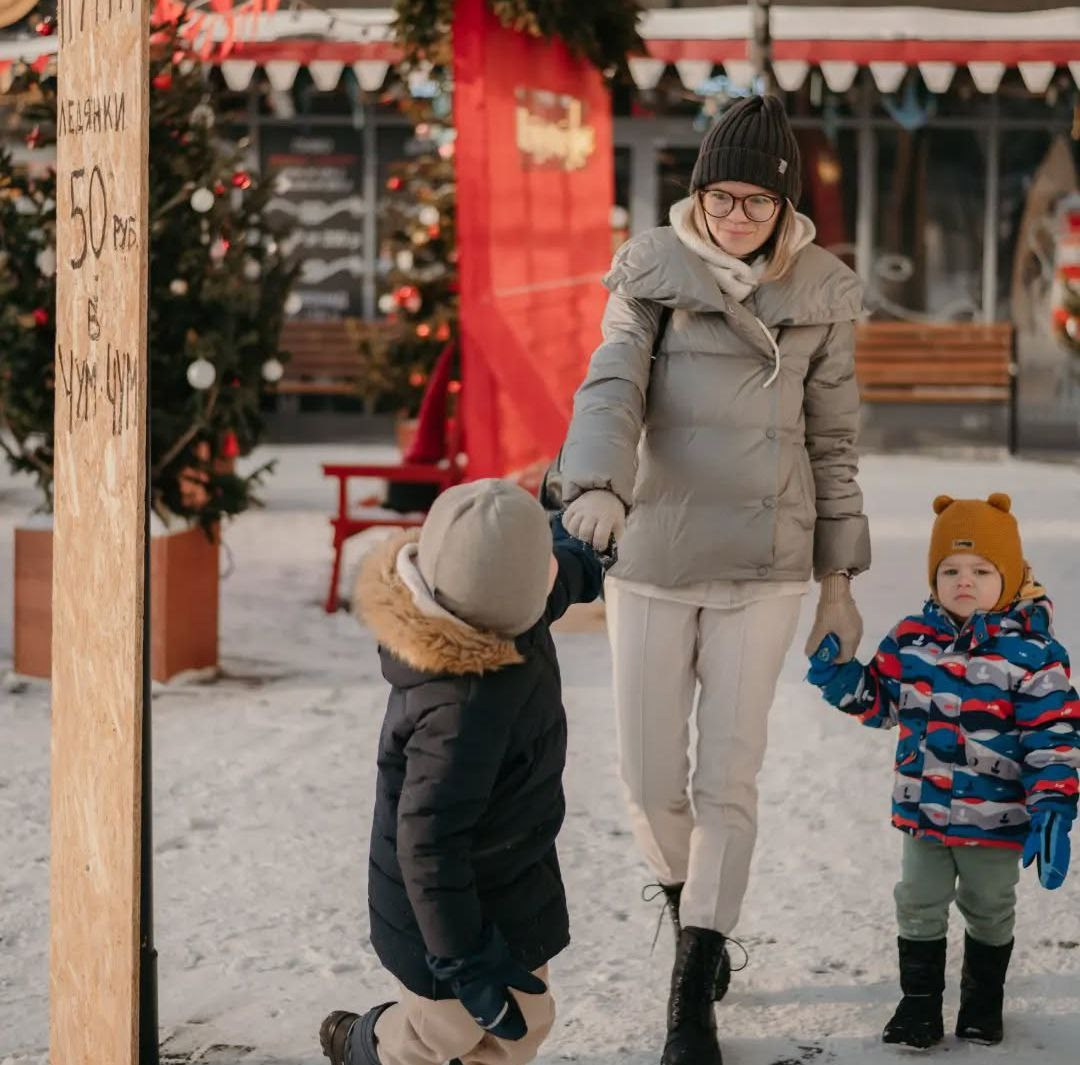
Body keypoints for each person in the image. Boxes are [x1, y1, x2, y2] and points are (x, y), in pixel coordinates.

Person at [558, 92, 870, 1065]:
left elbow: (835, 444)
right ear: (695, 192)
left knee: (727, 779)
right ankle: (689, 897)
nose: (736, 217)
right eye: (721, 198)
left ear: (784, 204)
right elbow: (611, 381)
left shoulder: (820, 293)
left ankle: (693, 982)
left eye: (756, 202)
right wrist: (598, 486)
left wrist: (839, 582)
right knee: (649, 781)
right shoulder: (650, 272)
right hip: (652, 555)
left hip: (767, 563)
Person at [320, 479, 604, 1065]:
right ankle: (367, 1045)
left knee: (521, 1027)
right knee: (442, 1029)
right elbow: (427, 845)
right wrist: (464, 959)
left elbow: (550, 585)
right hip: (436, 911)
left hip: (514, 869)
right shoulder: (456, 709)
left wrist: (584, 561)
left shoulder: (502, 607)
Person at [807, 493, 1080, 1048]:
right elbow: (881, 702)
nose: (964, 580)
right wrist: (839, 676)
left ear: (1011, 575)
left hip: (996, 820)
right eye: (949, 569)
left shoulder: (1033, 654)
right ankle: (919, 1005)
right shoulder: (912, 638)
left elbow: (1052, 737)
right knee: (918, 903)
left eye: (982, 570)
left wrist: (1054, 806)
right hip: (924, 811)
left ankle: (982, 1004)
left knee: (989, 907)